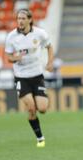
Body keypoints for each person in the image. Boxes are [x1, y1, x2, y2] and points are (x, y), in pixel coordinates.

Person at [4, 9, 54, 147]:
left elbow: (49, 47)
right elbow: (8, 56)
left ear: (29, 20)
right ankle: (40, 138)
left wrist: (50, 62)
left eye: (22, 18)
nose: (20, 21)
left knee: (42, 109)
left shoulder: (40, 33)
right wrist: (15, 58)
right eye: (18, 18)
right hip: (21, 77)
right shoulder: (11, 37)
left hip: (37, 75)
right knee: (31, 108)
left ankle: (38, 107)